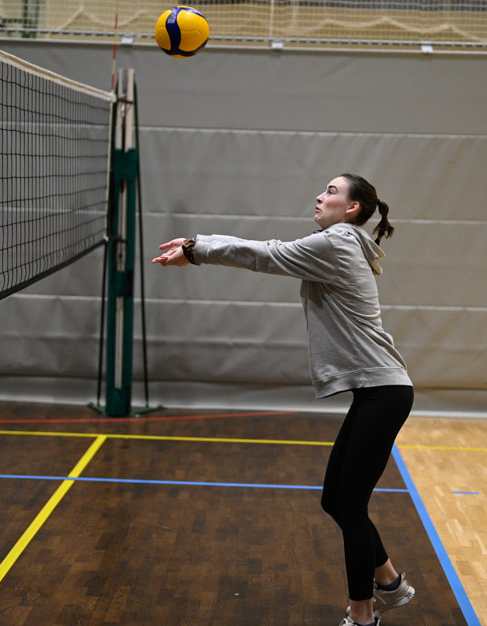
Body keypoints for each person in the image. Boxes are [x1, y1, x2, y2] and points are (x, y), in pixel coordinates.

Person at [153, 173, 415, 626]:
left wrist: (198, 248)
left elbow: (267, 254)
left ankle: (363, 615)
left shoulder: (337, 243)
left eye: (331, 191)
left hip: (384, 392)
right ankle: (390, 584)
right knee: (335, 501)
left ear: (352, 208)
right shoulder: (340, 243)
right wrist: (198, 250)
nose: (319, 196)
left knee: (350, 506)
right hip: (378, 392)